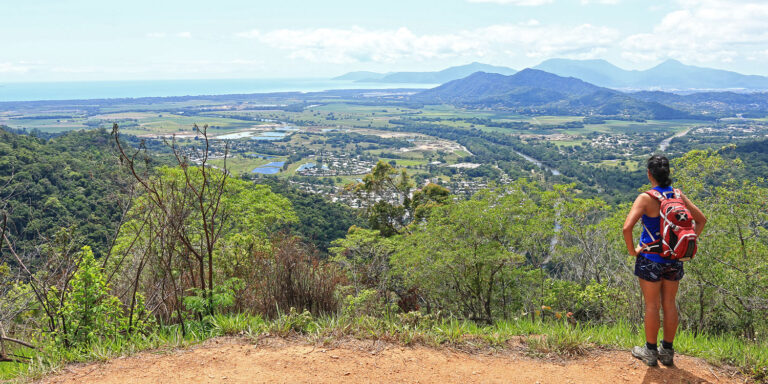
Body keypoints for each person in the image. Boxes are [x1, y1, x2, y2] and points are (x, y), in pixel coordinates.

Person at [622, 155, 706, 366]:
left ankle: (650, 352)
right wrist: (683, 244)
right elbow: (701, 220)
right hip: (674, 259)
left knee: (652, 305)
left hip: (650, 257)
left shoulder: (646, 198)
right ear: (667, 173)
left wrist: (633, 251)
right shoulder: (677, 195)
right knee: (669, 303)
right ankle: (667, 352)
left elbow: (626, 228)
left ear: (649, 174)